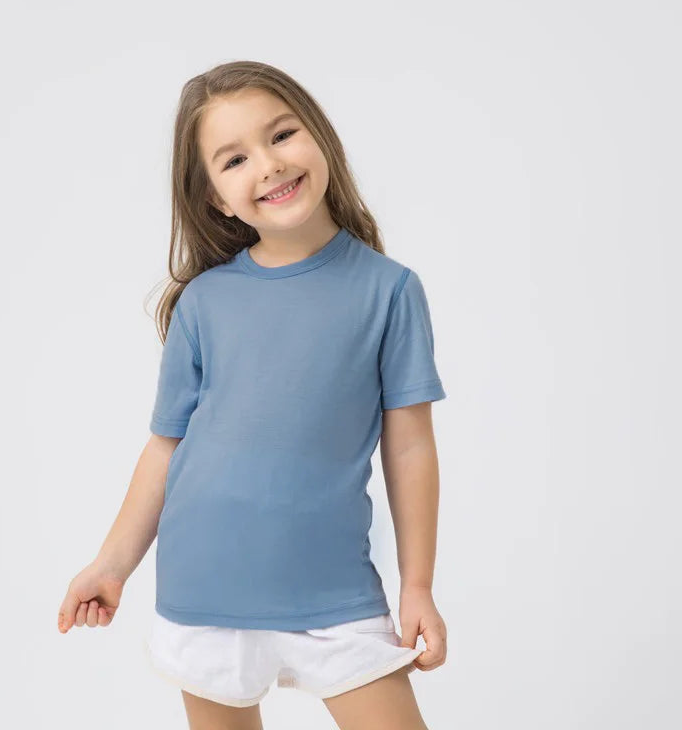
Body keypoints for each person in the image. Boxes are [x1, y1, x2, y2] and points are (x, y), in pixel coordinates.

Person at [58, 60, 449, 730]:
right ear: (216, 197)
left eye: (282, 135)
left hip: (336, 597)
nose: (267, 165)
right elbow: (165, 449)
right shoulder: (204, 302)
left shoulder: (389, 291)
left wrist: (417, 586)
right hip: (204, 590)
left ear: (320, 139)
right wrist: (111, 564)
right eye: (235, 158)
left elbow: (410, 447)